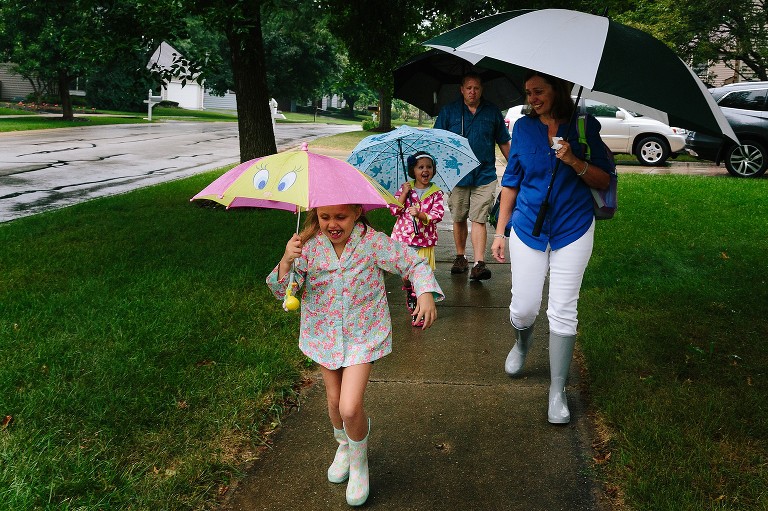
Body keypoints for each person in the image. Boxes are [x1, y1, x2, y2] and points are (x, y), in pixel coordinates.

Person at [266, 204, 444, 506]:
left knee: (349, 407)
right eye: (325, 217)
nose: (332, 224)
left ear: (357, 213)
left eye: (341, 217)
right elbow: (285, 291)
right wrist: (286, 260)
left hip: (363, 334)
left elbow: (413, 263)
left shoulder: (372, 243)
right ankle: (345, 446)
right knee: (334, 402)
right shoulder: (307, 248)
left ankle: (360, 462)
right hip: (324, 335)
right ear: (315, 217)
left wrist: (425, 292)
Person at [490, 70, 612, 424]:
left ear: (558, 90)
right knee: (524, 308)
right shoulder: (524, 129)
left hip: (573, 228)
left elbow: (604, 179)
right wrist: (500, 232)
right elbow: (511, 181)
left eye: (539, 91)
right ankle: (522, 343)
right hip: (528, 227)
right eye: (528, 92)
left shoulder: (586, 127)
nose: (532, 98)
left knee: (563, 309)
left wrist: (574, 160)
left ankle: (557, 392)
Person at [434, 72, 511, 281]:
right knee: (458, 216)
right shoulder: (449, 112)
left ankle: (479, 263)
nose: (472, 92)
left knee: (479, 218)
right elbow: (437, 142)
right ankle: (460, 257)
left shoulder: (492, 112)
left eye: (476, 88)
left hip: (484, 174)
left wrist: (515, 167)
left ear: (481, 89)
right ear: (461, 89)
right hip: (456, 175)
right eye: (468, 88)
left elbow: (503, 141)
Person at [389, 151, 445, 326]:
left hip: (423, 241)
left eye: (429, 166)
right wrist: (404, 193)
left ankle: (417, 305)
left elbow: (437, 215)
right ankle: (409, 290)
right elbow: (394, 210)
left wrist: (421, 215)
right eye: (421, 167)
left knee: (420, 276)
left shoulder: (436, 193)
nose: (425, 170)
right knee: (407, 277)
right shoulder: (406, 188)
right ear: (413, 170)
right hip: (403, 239)